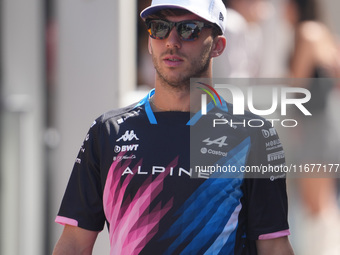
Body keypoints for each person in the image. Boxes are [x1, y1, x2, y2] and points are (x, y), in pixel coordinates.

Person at [53, 0, 294, 254]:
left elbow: (274, 246)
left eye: (188, 29)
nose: (171, 41)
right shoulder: (107, 132)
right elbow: (74, 244)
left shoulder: (253, 134)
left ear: (218, 46)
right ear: (149, 41)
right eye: (159, 28)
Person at [283, 0, 340, 254]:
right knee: (324, 204)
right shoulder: (324, 32)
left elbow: (296, 85)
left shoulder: (307, 32)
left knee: (313, 205)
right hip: (326, 122)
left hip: (313, 127)